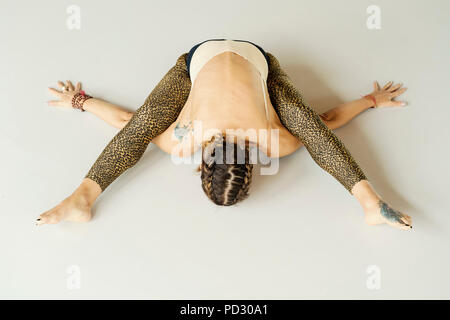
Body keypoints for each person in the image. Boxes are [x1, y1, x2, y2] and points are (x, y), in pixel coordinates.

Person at [37, 39, 412, 230]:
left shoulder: (272, 142)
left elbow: (326, 121)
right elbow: (128, 122)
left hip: (255, 57)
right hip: (204, 57)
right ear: (202, 168)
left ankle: (370, 202)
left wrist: (371, 100)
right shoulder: (183, 142)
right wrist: (80, 101)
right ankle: (80, 197)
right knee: (147, 122)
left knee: (306, 125)